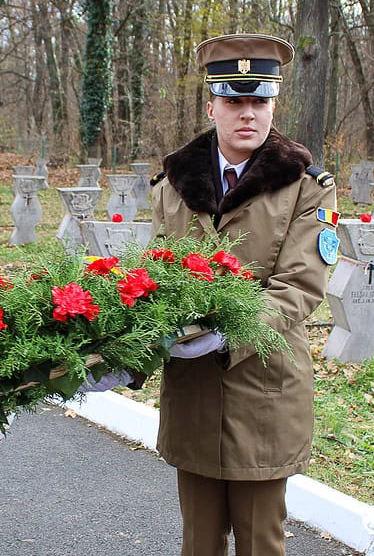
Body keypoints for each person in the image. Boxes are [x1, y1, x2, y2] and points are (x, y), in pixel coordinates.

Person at [84, 33, 338, 555]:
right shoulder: (171, 185)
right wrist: (123, 351)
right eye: (234, 101)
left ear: (273, 105)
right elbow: (151, 282)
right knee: (198, 540)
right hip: (193, 390)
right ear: (211, 106)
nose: (248, 114)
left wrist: (227, 335)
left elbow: (298, 286)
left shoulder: (306, 186)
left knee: (259, 540)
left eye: (259, 101)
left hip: (265, 385)